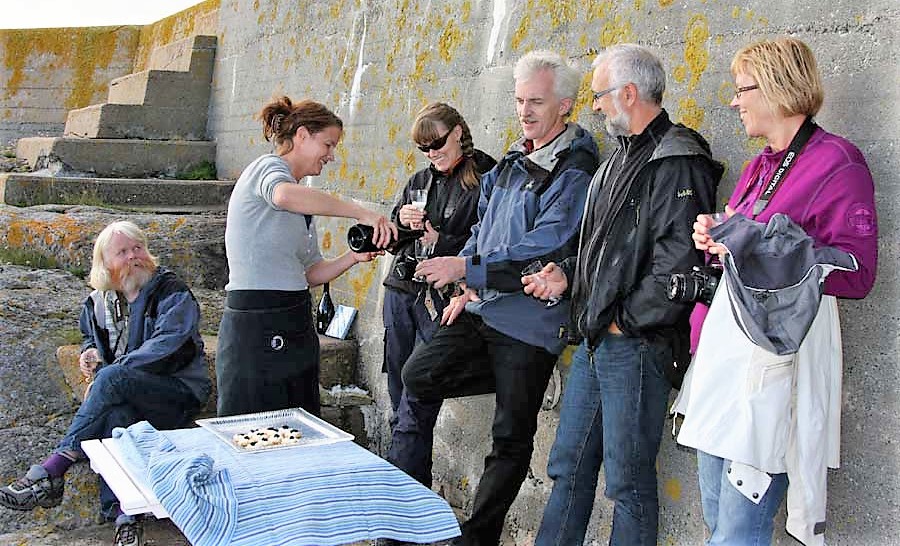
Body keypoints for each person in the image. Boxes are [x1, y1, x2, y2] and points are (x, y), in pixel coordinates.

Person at [387, 50, 599, 546]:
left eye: (536, 102)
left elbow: (545, 245)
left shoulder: (575, 169)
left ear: (565, 105)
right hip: (484, 309)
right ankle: (520, 383)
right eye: (519, 100)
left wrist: (465, 267)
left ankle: (477, 538)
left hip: (530, 324)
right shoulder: (510, 160)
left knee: (509, 439)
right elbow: (483, 226)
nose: (524, 111)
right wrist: (468, 285)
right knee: (418, 374)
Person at [676, 37, 877, 546]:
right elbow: (746, 249)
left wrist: (752, 240)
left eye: (743, 88)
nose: (734, 100)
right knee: (717, 521)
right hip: (723, 366)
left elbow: (855, 272)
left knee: (739, 534)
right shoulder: (758, 166)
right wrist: (717, 237)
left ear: (778, 90)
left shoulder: (837, 163)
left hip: (773, 375)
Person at [524, 44, 723, 546]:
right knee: (567, 467)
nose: (594, 106)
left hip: (635, 347)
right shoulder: (618, 160)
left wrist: (621, 322)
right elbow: (604, 249)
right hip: (598, 342)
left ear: (628, 93)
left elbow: (679, 270)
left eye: (599, 95)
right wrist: (567, 274)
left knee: (628, 485)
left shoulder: (679, 160)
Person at [0, 220, 210, 546]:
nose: (133, 257)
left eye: (137, 248)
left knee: (112, 382)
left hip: (177, 393)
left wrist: (107, 377)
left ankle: (54, 467)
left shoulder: (172, 291)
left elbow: (166, 345)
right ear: (105, 264)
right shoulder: (98, 303)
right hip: (128, 396)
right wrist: (89, 352)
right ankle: (126, 517)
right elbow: (90, 336)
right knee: (117, 421)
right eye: (122, 252)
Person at [216, 96, 395, 418]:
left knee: (300, 419)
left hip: (294, 316)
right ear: (301, 136)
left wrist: (353, 257)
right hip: (257, 319)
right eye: (327, 144)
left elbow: (311, 273)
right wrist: (359, 212)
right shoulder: (268, 169)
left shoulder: (303, 207)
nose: (331, 155)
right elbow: (282, 196)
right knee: (250, 423)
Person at [382, 102, 496, 417]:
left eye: (436, 144)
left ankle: (406, 461)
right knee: (397, 385)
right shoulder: (419, 181)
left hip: (443, 296)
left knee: (419, 391)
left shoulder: (486, 176)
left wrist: (441, 241)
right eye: (423, 148)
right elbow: (392, 242)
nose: (431, 153)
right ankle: (402, 457)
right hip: (401, 288)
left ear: (458, 132)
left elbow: (492, 242)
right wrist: (401, 221)